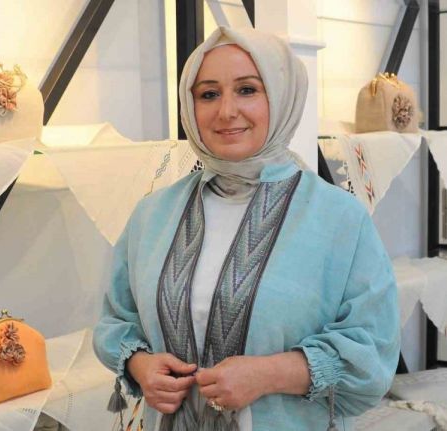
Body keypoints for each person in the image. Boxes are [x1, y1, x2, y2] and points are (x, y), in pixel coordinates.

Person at [93, 26, 400, 431]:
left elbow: (372, 352)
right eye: (208, 94)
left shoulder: (338, 218)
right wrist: (141, 365)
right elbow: (116, 319)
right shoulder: (154, 215)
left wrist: (270, 374)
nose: (226, 111)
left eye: (247, 90)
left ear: (282, 96)